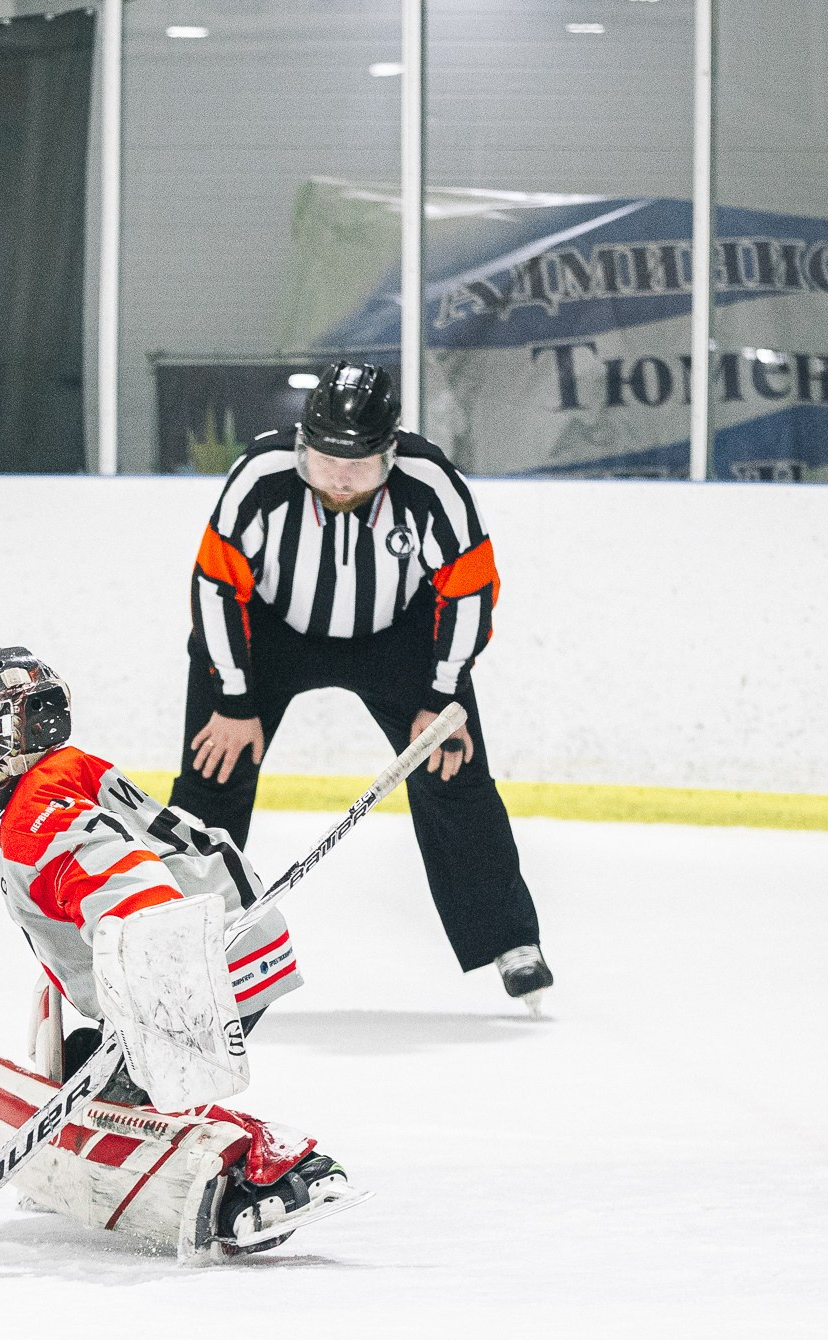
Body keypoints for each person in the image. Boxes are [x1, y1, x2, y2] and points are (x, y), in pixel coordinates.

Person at [0, 645, 367, 1258]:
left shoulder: (35, 819)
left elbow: (139, 893)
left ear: (29, 729)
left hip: (188, 967)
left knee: (136, 1103)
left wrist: (157, 1008)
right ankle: (131, 1094)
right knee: (94, 1068)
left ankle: (282, 1171)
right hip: (220, 943)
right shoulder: (69, 769)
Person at [166, 358, 553, 1011]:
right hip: (268, 633)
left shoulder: (432, 486)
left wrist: (444, 694)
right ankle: (173, 940)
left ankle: (510, 940)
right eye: (323, 459)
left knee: (454, 772)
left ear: (390, 454)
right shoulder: (259, 479)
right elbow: (214, 585)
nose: (340, 477)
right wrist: (233, 698)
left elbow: (469, 589)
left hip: (397, 636)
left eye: (360, 463)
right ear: (301, 445)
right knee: (214, 771)